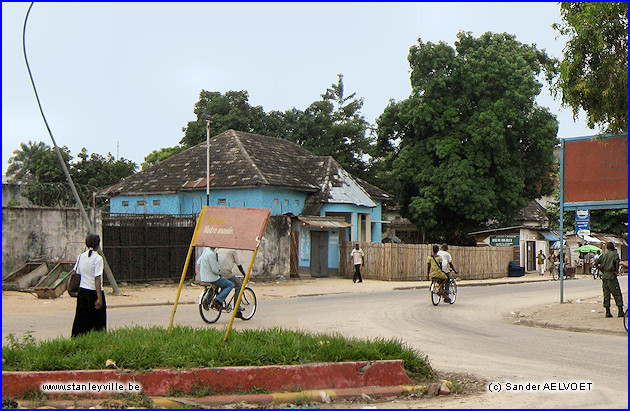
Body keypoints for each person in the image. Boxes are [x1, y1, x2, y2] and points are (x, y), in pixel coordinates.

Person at [71, 234, 106, 337]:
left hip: (82, 292)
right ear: (97, 245)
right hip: (93, 293)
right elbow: (97, 278)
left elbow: (77, 272)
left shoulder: (80, 256)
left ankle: (78, 339)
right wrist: (99, 298)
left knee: (81, 319)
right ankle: (97, 340)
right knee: (98, 321)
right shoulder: (98, 259)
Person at [197, 246, 234, 311]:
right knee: (230, 285)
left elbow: (198, 262)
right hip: (212, 278)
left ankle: (207, 299)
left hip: (204, 277)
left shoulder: (205, 251)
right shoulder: (211, 254)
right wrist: (219, 272)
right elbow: (215, 270)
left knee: (216, 286)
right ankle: (218, 300)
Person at [595, 242, 624, 318]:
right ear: (613, 247)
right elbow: (617, 261)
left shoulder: (603, 255)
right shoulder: (614, 254)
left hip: (605, 276)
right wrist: (616, 271)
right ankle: (620, 311)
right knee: (617, 293)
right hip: (611, 276)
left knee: (606, 294)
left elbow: (596, 263)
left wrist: (602, 270)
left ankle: (608, 312)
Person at [217, 248, 246, 317]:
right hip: (226, 273)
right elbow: (239, 265)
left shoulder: (219, 250)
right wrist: (245, 274)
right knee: (238, 285)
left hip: (217, 273)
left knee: (223, 284)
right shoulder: (233, 251)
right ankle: (237, 308)